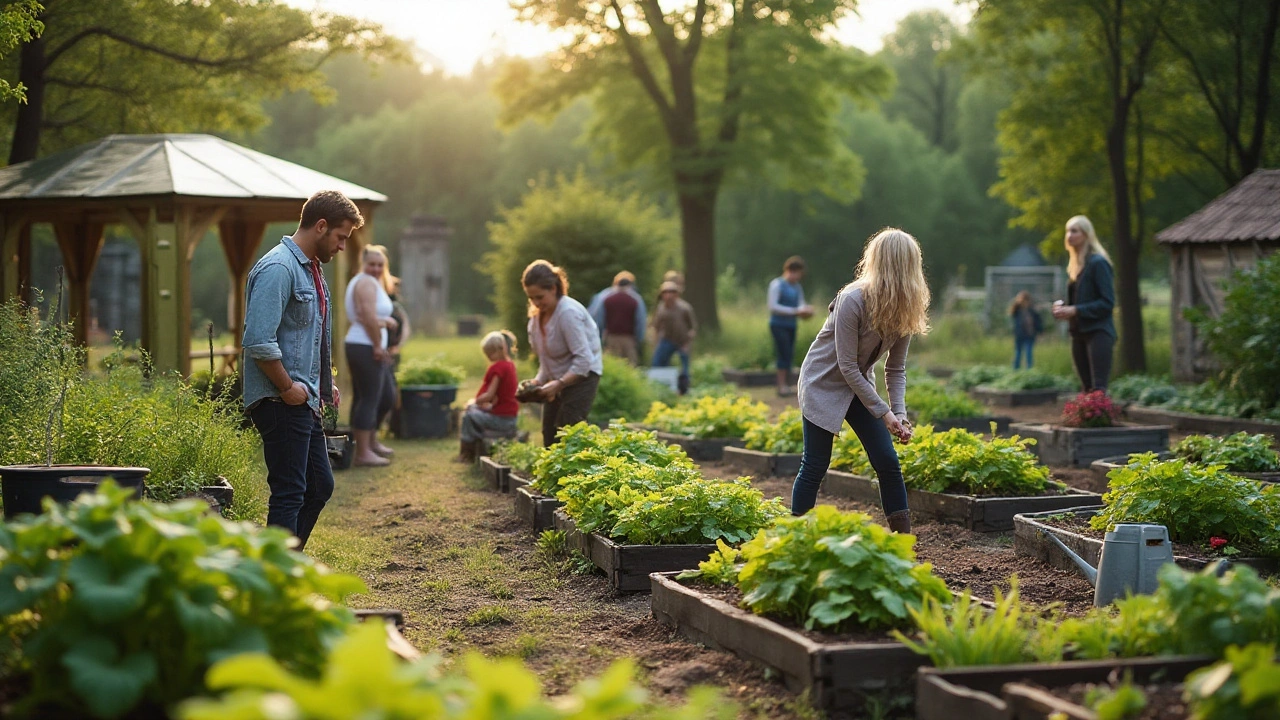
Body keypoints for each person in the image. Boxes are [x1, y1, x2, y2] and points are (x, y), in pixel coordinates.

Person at [789, 228, 931, 535]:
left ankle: (902, 541)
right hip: (822, 383)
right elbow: (846, 366)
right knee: (815, 464)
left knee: (887, 461)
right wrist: (884, 412)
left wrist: (900, 413)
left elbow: (895, 369)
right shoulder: (852, 299)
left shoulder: (907, 307)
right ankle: (795, 538)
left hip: (858, 386)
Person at [242, 190, 361, 551]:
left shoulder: (311, 270)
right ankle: (274, 579)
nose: (342, 246)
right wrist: (287, 387)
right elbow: (259, 341)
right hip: (281, 400)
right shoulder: (279, 268)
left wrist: (326, 383)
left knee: (318, 486)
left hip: (303, 398)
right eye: (340, 237)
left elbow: (308, 337)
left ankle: (284, 566)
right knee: (291, 491)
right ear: (321, 226)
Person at [522, 259, 604, 447]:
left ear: (553, 288)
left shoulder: (568, 313)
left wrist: (557, 385)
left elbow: (584, 360)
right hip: (557, 379)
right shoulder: (535, 320)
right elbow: (546, 360)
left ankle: (581, 473)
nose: (535, 302)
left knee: (569, 430)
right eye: (531, 298)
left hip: (583, 377)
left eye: (539, 297)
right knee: (549, 433)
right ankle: (553, 476)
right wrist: (537, 382)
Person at [344, 245, 399, 466]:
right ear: (363, 264)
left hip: (366, 345)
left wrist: (383, 326)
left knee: (382, 396)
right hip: (365, 346)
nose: (376, 268)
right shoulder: (365, 282)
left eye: (380, 265)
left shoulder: (371, 282)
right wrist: (378, 345)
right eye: (372, 264)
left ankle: (370, 443)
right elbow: (367, 316)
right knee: (371, 398)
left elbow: (369, 316)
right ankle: (363, 453)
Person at [1052, 215, 1116, 392]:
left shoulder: (1099, 263)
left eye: (1074, 231)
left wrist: (1076, 310)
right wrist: (1064, 309)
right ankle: (1087, 419)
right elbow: (1082, 299)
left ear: (1086, 234)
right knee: (1086, 388)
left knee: (1098, 388)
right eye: (1067, 231)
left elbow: (1107, 302)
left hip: (1098, 332)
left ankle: (1101, 419)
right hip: (1078, 333)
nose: (1069, 235)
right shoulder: (1075, 266)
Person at [457, 331, 520, 462]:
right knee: (475, 413)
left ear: (494, 351)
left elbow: (489, 395)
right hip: (511, 418)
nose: (488, 357)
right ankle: (474, 446)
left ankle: (466, 453)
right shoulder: (510, 365)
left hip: (501, 420)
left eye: (488, 353)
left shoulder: (498, 367)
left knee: (468, 415)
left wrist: (475, 401)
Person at [768, 256, 815, 395]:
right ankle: (781, 385)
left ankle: (787, 384)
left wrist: (806, 309)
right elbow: (773, 306)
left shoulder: (797, 287)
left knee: (789, 354)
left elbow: (800, 303)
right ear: (789, 270)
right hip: (778, 324)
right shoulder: (777, 284)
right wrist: (795, 311)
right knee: (783, 353)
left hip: (791, 324)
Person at [587, 271, 647, 365]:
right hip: (629, 339)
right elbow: (640, 322)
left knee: (613, 365)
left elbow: (599, 318)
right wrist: (638, 339)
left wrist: (601, 337)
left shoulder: (606, 298)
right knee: (631, 367)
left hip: (611, 338)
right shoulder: (636, 300)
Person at [650, 281, 697, 394]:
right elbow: (656, 326)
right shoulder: (661, 308)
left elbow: (693, 328)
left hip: (682, 341)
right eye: (666, 292)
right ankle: (660, 387)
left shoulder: (684, 308)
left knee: (684, 367)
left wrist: (687, 343)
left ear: (676, 294)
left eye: (672, 292)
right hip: (666, 340)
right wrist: (656, 342)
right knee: (657, 363)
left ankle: (684, 389)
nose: (669, 295)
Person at [1009, 291, 1043, 369]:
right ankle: (1015, 370)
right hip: (1019, 335)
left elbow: (1038, 323)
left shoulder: (1033, 312)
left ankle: (1029, 370)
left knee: (1028, 353)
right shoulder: (1016, 311)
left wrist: (1040, 332)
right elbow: (1014, 324)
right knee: (1018, 353)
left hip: (1029, 335)